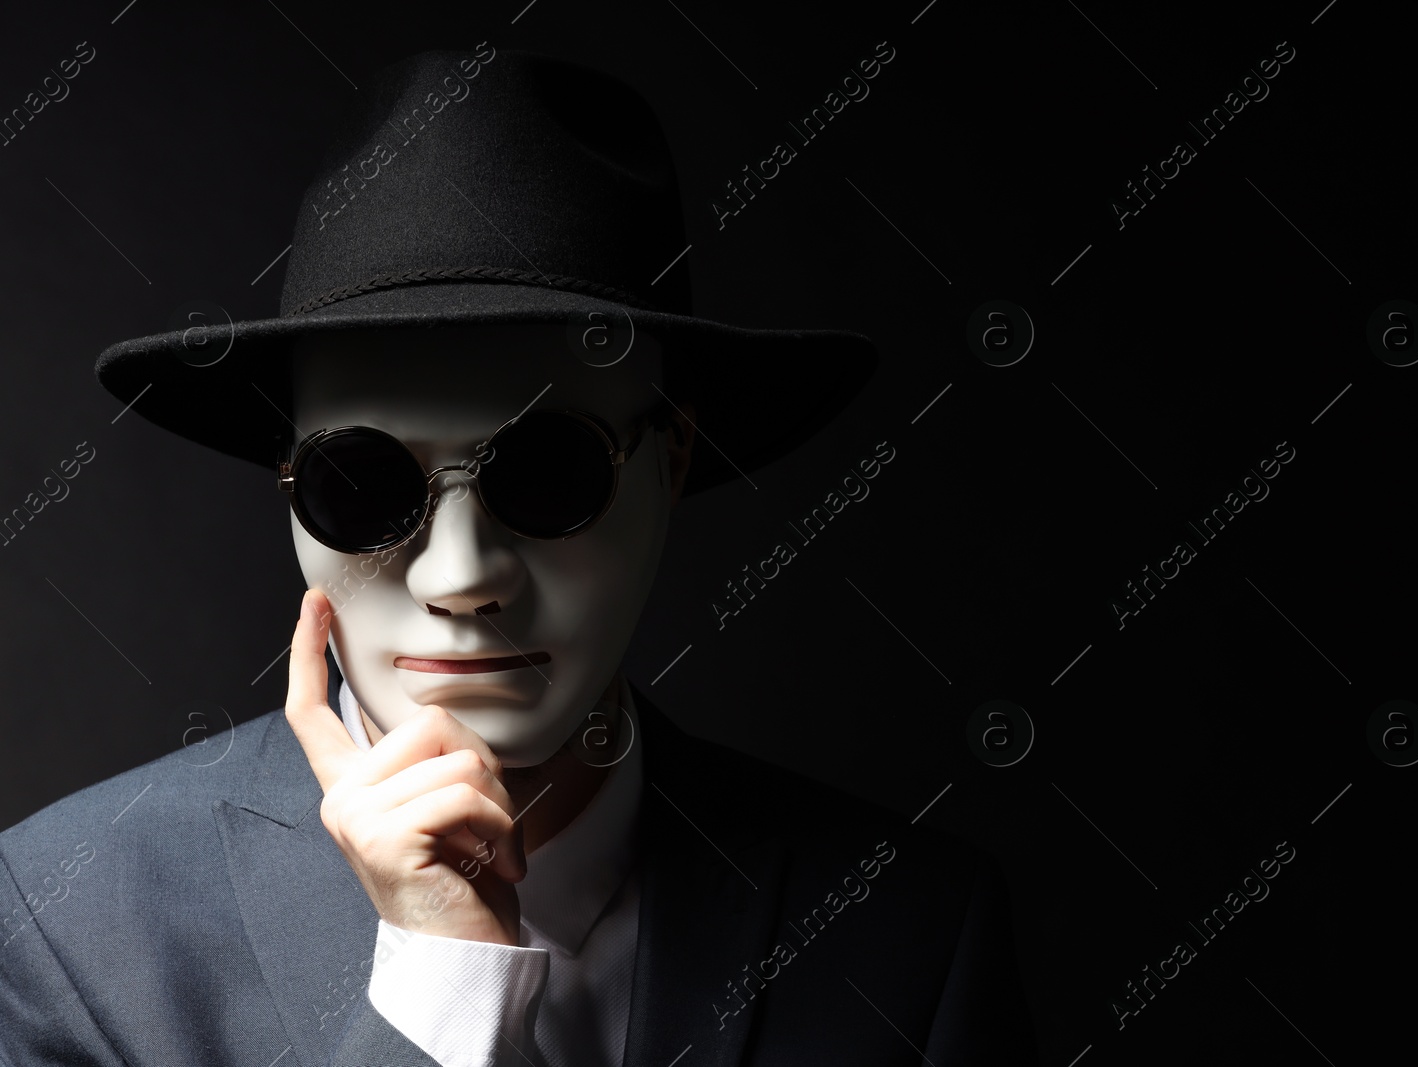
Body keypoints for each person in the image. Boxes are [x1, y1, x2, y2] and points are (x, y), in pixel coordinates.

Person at [0, 46, 1038, 1066]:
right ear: (288, 487)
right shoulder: (70, 919)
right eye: (361, 483)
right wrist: (440, 988)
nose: (461, 577)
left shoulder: (907, 932)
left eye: (549, 473)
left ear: (670, 461)